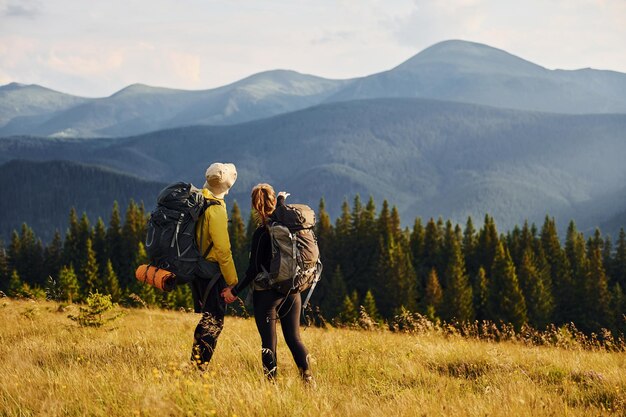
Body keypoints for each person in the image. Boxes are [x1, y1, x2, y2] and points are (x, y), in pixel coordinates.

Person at [222, 183, 314, 384]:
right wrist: (282, 199)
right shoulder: (290, 228)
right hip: (291, 291)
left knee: (268, 343)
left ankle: (271, 386)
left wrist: (234, 291)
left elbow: (253, 269)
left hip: (266, 296)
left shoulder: (262, 233)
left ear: (255, 206)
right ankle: (309, 381)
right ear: (274, 202)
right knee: (294, 339)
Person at [190, 162, 238, 369]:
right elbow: (223, 251)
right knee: (214, 321)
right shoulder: (216, 211)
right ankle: (200, 367)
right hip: (211, 273)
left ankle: (196, 362)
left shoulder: (199, 199)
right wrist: (233, 281)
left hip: (196, 268)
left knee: (207, 318)